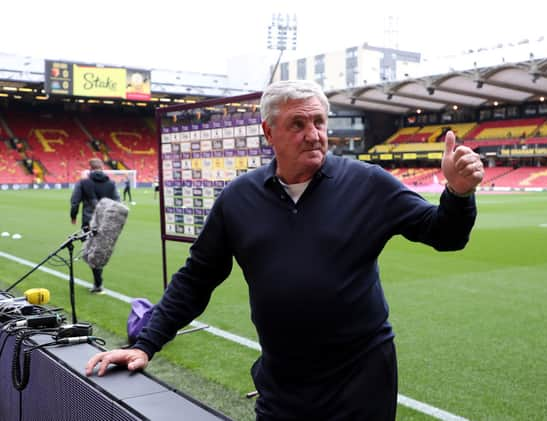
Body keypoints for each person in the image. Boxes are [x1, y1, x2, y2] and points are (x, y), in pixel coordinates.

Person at [85, 80, 484, 420]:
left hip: (362, 382)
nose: (313, 134)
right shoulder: (238, 199)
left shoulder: (369, 184)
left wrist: (458, 194)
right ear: (268, 132)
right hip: (282, 384)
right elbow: (197, 278)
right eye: (298, 124)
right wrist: (145, 344)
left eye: (319, 122)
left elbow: (445, 235)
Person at [70, 158, 120, 294]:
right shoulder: (111, 183)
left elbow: (75, 201)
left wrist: (73, 216)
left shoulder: (84, 183)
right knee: (98, 251)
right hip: (106, 221)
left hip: (89, 222)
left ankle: (98, 283)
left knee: (91, 251)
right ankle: (98, 282)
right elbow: (117, 201)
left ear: (90, 168)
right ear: (102, 167)